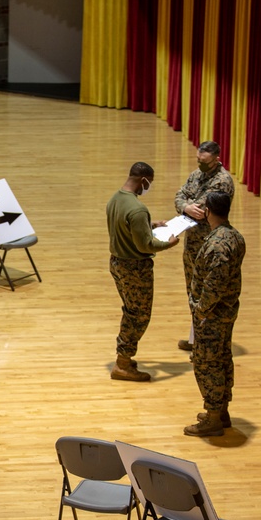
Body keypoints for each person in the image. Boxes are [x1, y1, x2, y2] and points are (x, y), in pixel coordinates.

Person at [105, 162, 179, 381]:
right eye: (150, 183)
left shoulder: (115, 199)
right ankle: (123, 363)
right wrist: (169, 243)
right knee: (138, 315)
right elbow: (145, 246)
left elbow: (126, 227)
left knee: (131, 310)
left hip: (118, 263)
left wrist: (150, 225)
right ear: (143, 180)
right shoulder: (137, 209)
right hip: (135, 268)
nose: (149, 187)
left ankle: (124, 358)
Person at [184, 191, 245, 437]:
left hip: (212, 315)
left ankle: (213, 417)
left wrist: (200, 311)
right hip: (225, 312)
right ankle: (221, 410)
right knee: (222, 358)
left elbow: (214, 285)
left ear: (208, 211)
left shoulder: (218, 244)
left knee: (207, 363)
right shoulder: (234, 236)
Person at [174, 140, 235, 351]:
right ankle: (194, 338)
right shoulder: (196, 174)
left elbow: (202, 209)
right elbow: (180, 196)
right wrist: (185, 206)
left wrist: (189, 206)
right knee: (192, 291)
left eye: (204, 161)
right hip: (192, 244)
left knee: (205, 294)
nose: (200, 164)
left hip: (209, 244)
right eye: (198, 160)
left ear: (216, 158)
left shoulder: (222, 181)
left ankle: (203, 342)